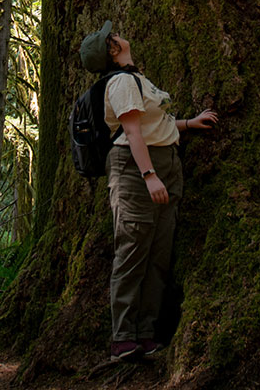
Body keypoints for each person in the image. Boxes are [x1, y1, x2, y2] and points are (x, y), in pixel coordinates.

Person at [80, 20, 218, 362]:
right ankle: (123, 337)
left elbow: (153, 124)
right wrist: (149, 175)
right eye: (113, 37)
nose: (119, 35)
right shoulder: (122, 83)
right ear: (112, 50)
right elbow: (133, 132)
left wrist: (188, 124)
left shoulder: (137, 78)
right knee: (132, 251)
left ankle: (146, 333)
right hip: (135, 169)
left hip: (165, 163)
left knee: (159, 253)